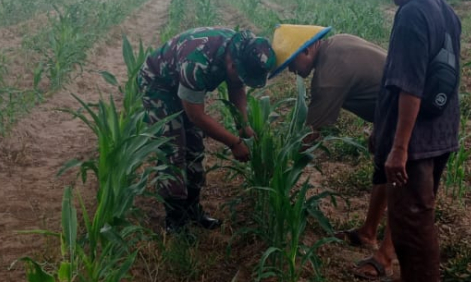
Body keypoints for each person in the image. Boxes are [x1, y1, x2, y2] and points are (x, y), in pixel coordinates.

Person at [269, 24, 397, 280]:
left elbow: (310, 135)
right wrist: (379, 125)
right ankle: (368, 232)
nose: (292, 72)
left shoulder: (328, 75)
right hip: (391, 112)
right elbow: (377, 80)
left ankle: (387, 256)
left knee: (400, 182)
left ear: (307, 50)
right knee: (383, 173)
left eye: (292, 64)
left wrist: (279, 167)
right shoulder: (337, 42)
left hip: (412, 113)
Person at [367, 0, 462, 282]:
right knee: (420, 218)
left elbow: (410, 86)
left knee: (411, 231)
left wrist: (399, 147)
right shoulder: (444, 9)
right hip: (441, 136)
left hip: (416, 144)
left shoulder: (410, 14)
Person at [137, 27, 276, 232]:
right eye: (242, 76)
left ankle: (192, 210)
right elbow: (196, 115)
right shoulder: (198, 62)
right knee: (173, 149)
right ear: (232, 64)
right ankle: (175, 221)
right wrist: (234, 143)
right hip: (159, 84)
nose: (241, 81)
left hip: (183, 85)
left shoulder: (241, 50)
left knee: (194, 147)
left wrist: (243, 126)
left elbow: (236, 87)